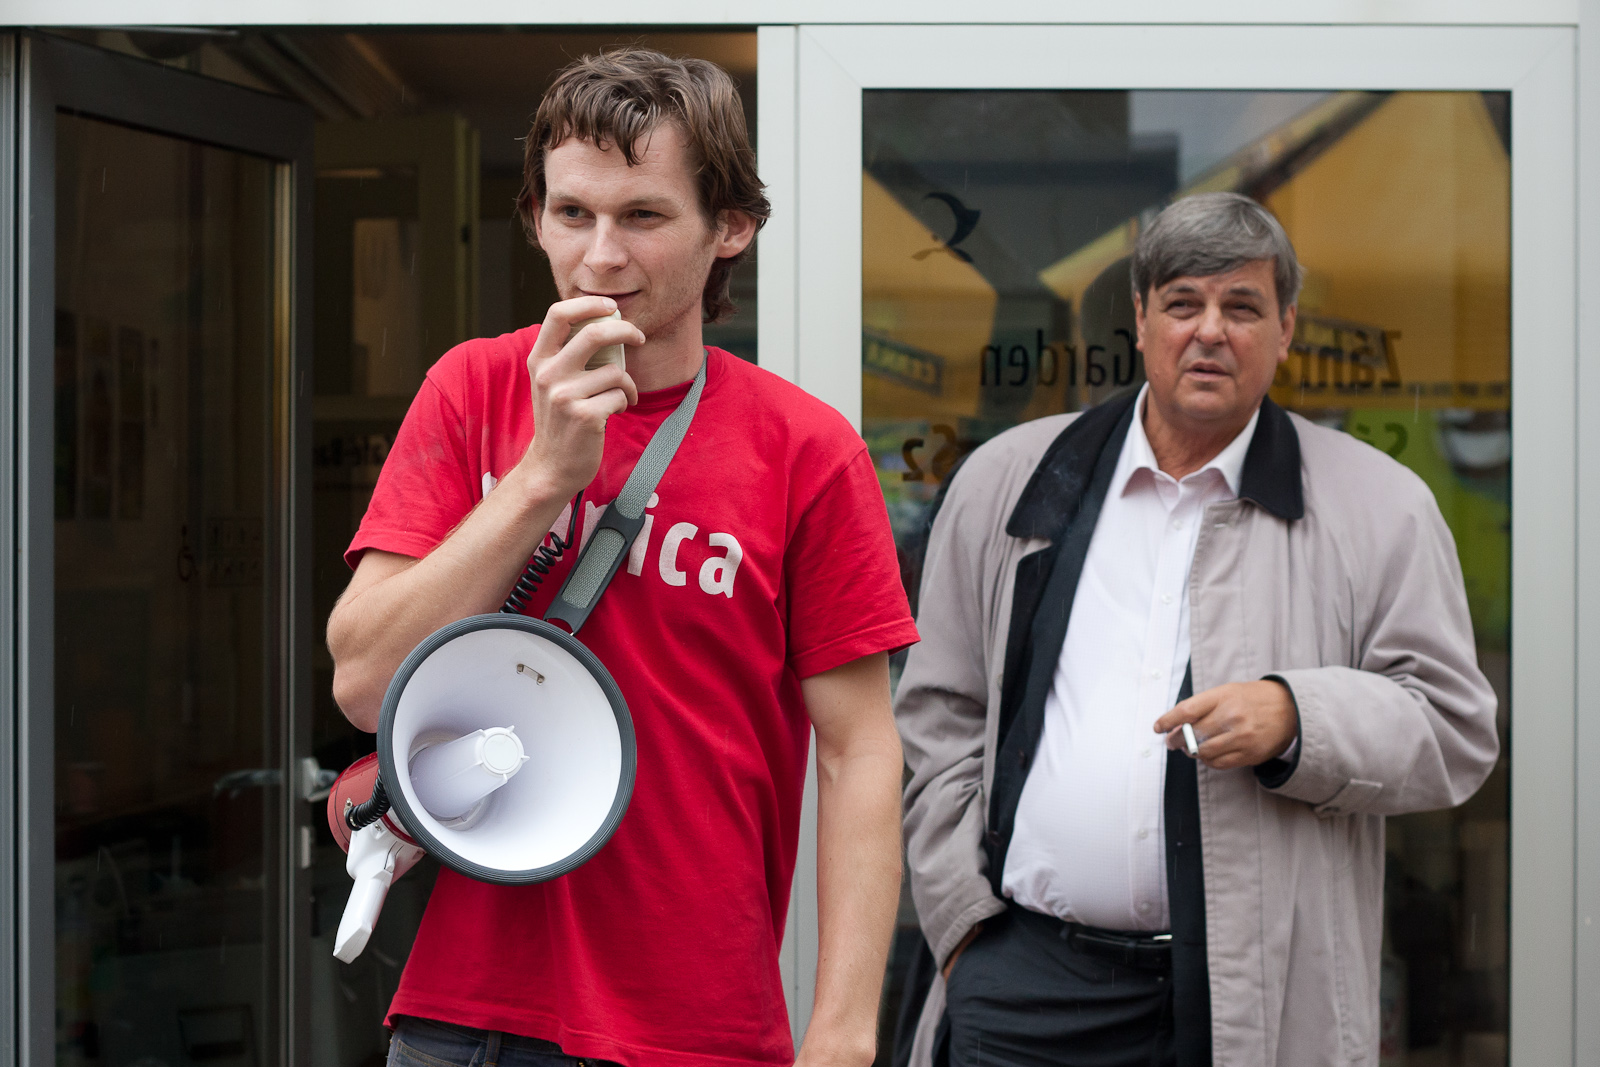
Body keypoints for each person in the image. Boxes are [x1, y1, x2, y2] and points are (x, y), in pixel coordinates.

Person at [327, 48, 917, 1067]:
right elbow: (363, 680)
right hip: (470, 1009)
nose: (600, 255)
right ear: (535, 216)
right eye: (572, 213)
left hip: (696, 1016)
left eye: (643, 215)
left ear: (729, 225)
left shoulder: (804, 449)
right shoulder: (473, 389)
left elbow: (858, 748)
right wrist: (540, 477)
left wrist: (845, 1031)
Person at [893, 192, 1498, 1067]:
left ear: (1285, 330)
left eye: (1242, 306)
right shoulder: (1010, 479)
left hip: (1245, 998)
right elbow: (939, 710)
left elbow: (1454, 727)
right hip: (1025, 983)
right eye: (1184, 303)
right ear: (1141, 321)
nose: (1210, 331)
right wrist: (962, 923)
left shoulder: (1381, 506)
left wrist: (1298, 716)